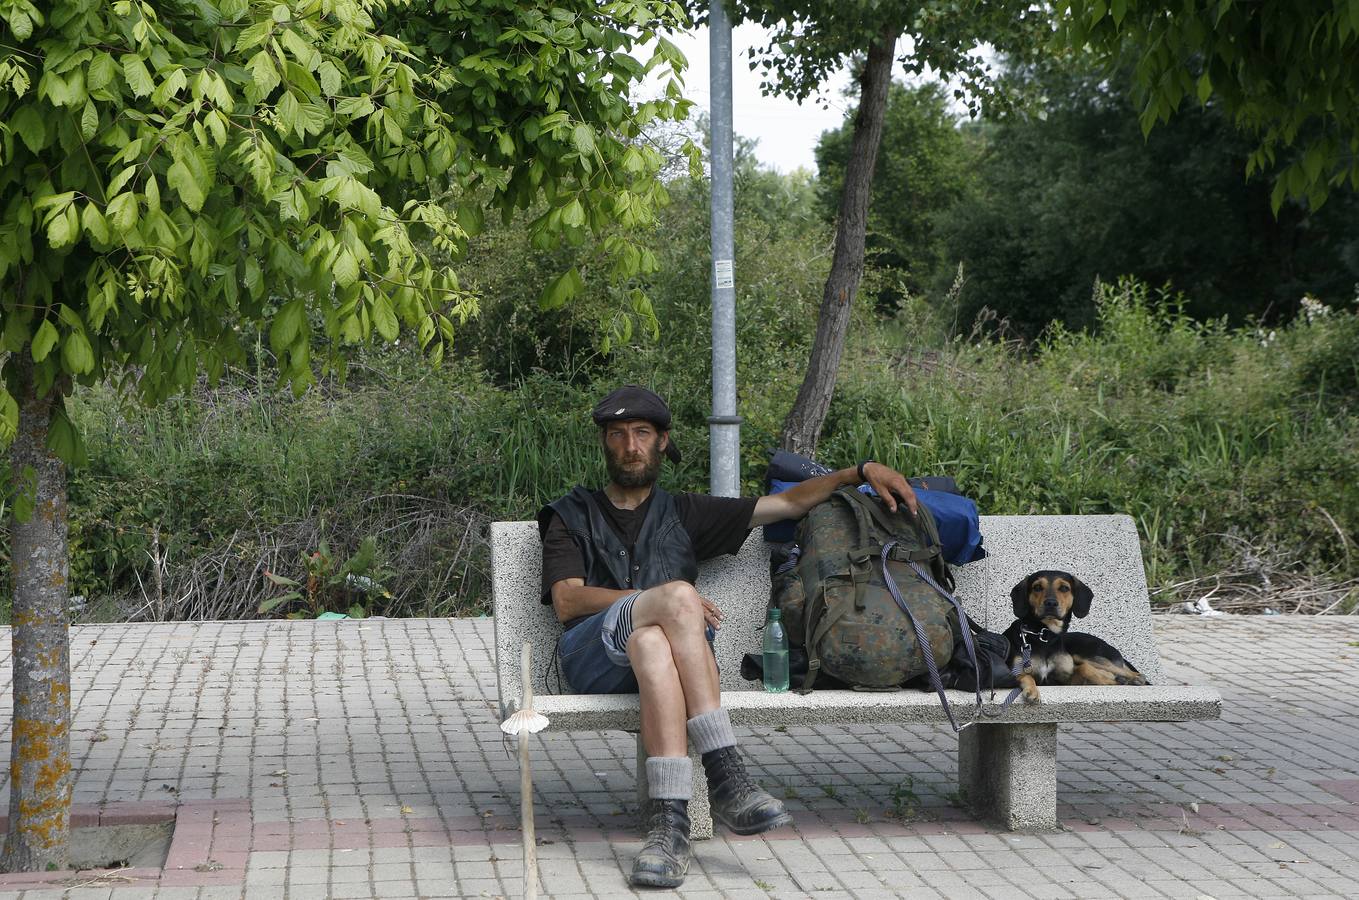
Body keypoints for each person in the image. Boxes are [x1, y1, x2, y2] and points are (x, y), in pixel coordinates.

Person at [537, 385, 918, 889]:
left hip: (666, 662)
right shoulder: (572, 512)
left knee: (652, 643)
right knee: (677, 598)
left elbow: (787, 503)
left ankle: (668, 828)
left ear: (662, 442)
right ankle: (726, 774)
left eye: (642, 433)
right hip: (594, 657)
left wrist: (861, 471)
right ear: (605, 443)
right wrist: (662, 599)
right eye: (618, 435)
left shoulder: (687, 513)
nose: (630, 446)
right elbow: (568, 601)